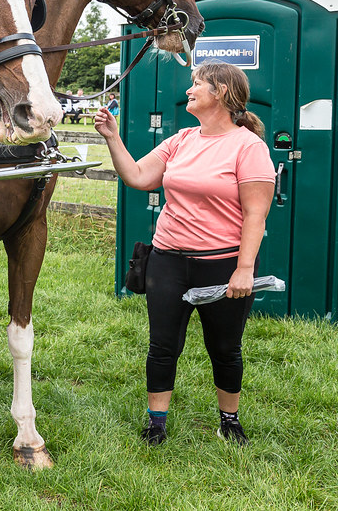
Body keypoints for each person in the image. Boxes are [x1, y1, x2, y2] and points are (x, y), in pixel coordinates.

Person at [94, 61, 275, 446]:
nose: (189, 89)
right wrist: (112, 137)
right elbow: (139, 177)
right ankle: (156, 423)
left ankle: (229, 420)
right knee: (162, 345)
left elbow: (256, 216)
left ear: (221, 92)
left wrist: (244, 269)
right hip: (168, 261)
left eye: (198, 84)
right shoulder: (180, 140)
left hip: (223, 264)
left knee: (225, 348)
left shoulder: (249, 147)